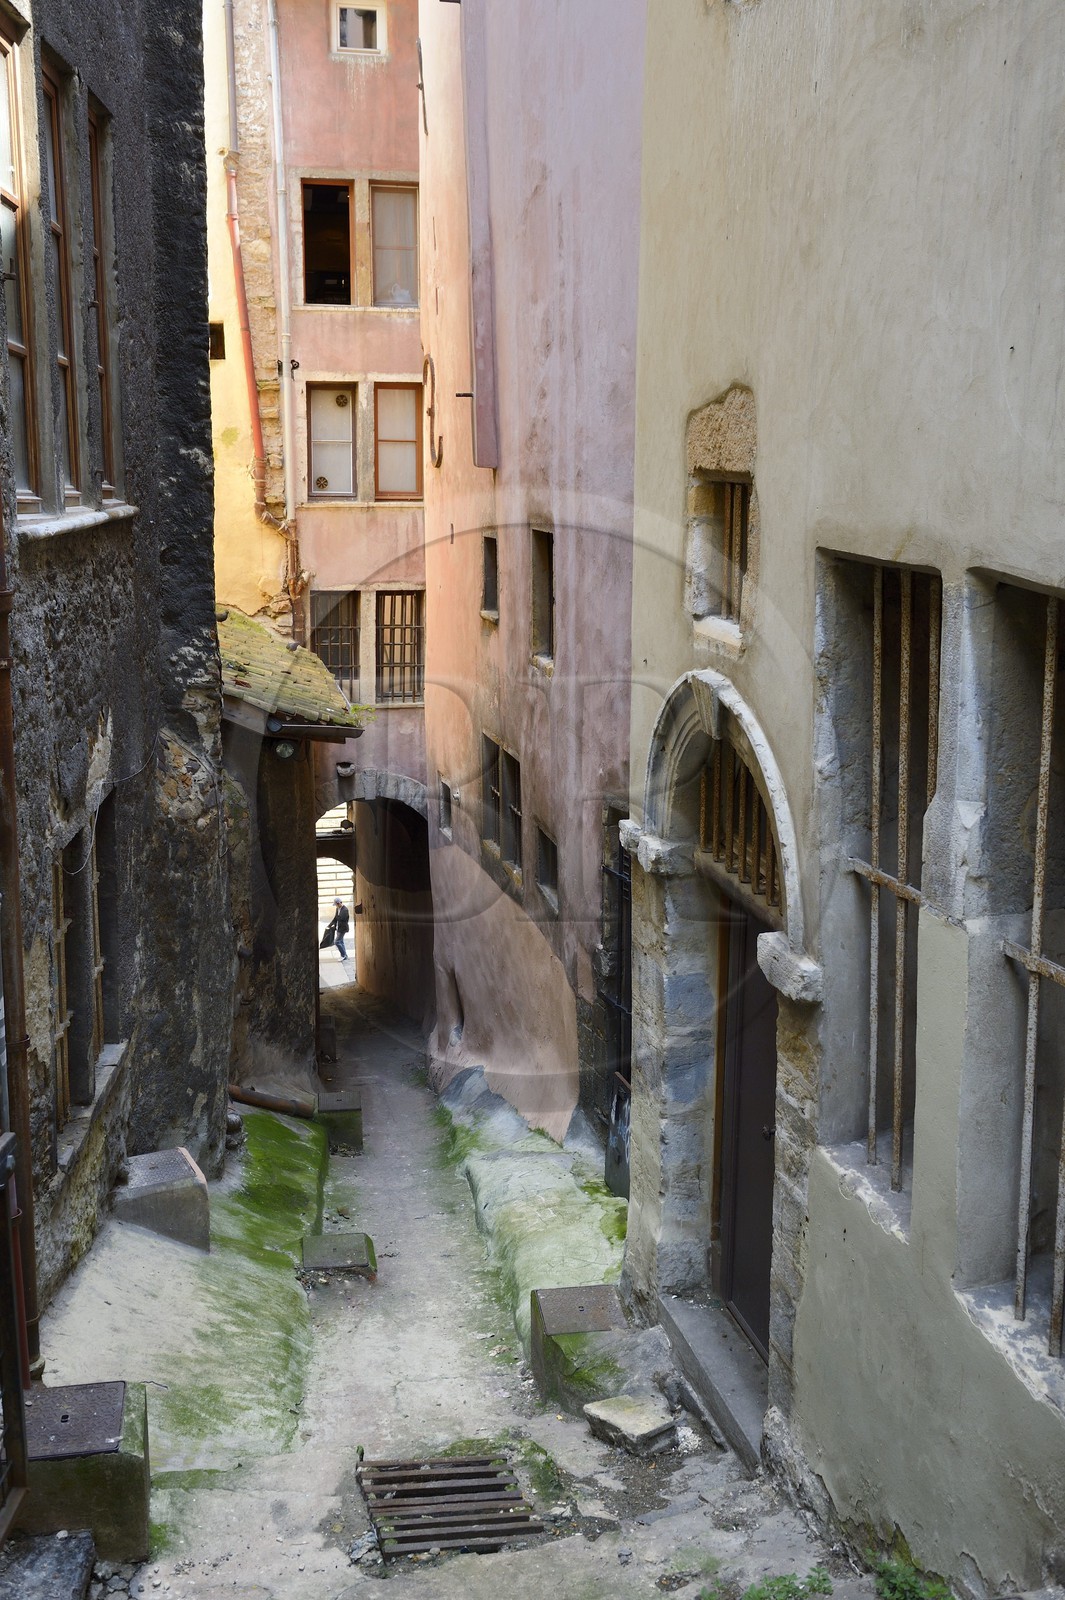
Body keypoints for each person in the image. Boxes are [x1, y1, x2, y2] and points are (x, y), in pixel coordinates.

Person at [328, 897, 350, 961]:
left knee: (337, 942)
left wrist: (337, 917)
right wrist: (329, 925)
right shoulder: (338, 909)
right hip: (338, 927)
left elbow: (342, 919)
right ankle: (345, 955)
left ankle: (343, 955)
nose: (336, 906)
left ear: (339, 903)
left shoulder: (345, 910)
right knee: (341, 942)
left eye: (336, 904)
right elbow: (335, 918)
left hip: (343, 928)